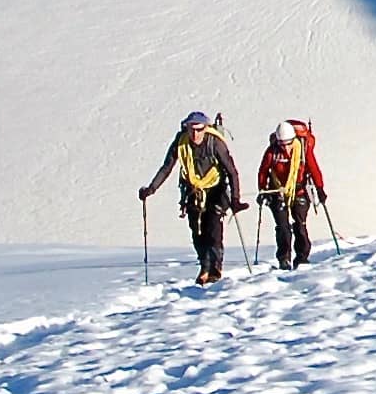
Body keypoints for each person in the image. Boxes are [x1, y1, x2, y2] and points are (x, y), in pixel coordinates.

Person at [139, 111, 244, 284]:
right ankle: (205, 265)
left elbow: (232, 171)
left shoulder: (215, 143)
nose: (195, 133)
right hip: (192, 190)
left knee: (213, 227)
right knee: (196, 229)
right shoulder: (180, 144)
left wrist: (235, 198)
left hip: (216, 189)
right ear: (186, 128)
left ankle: (214, 268)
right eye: (191, 129)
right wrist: (151, 189)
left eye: (199, 129)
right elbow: (167, 167)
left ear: (205, 128)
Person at [255, 120, 328, 269]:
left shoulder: (302, 150)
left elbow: (314, 168)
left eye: (288, 143)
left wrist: (320, 189)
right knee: (282, 226)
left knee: (300, 224)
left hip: (299, 190)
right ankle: (284, 258)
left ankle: (302, 257)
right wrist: (263, 190)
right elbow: (263, 171)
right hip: (278, 191)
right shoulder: (272, 152)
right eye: (282, 144)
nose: (285, 147)